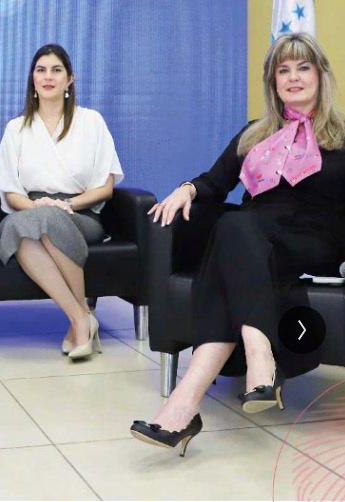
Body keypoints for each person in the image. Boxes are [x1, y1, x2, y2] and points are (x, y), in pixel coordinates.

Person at [131, 33, 345, 456]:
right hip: (254, 238)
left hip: (314, 240)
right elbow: (214, 183)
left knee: (233, 230)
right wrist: (187, 190)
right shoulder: (255, 134)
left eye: (303, 68)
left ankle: (221, 379)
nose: (293, 77)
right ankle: (199, 395)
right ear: (273, 81)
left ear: (321, 75)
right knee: (231, 229)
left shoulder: (342, 137)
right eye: (283, 70)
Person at [0, 44, 124, 360]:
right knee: (27, 227)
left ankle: (80, 322)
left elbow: (105, 188)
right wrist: (37, 208)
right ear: (32, 79)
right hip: (27, 210)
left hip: (80, 212)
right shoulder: (16, 128)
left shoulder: (91, 122)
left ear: (69, 79)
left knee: (47, 220)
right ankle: (81, 318)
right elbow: (11, 193)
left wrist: (68, 206)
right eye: (41, 70)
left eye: (56, 70)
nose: (48, 77)